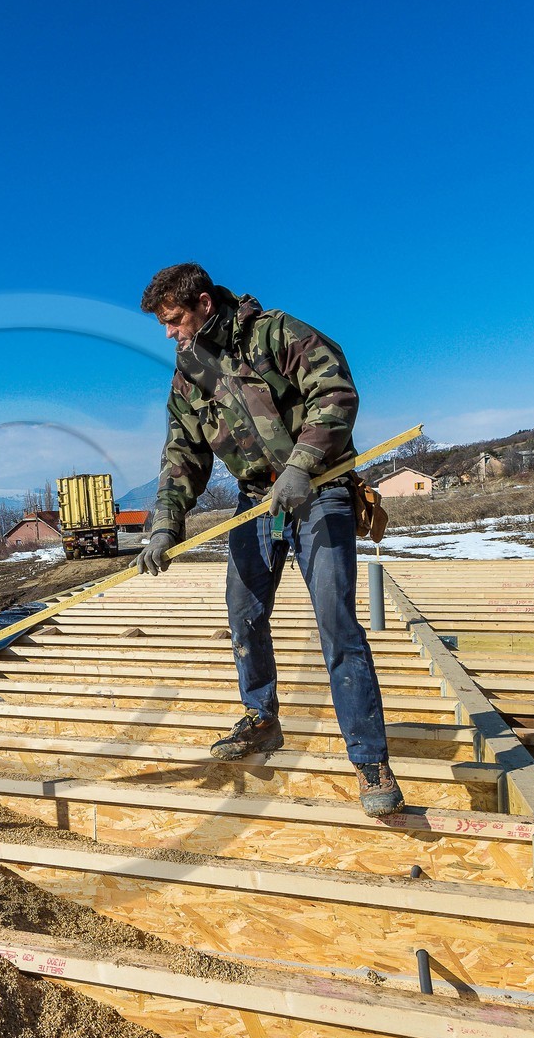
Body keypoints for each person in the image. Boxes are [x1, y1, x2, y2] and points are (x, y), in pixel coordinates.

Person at [136, 261, 403, 819]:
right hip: (258, 500)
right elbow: (183, 454)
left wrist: (304, 463)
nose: (169, 332)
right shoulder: (189, 374)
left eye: (175, 319)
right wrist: (164, 523)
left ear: (205, 303)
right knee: (245, 612)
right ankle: (262, 719)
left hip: (318, 488)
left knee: (336, 622)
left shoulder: (275, 334)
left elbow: (335, 392)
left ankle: (370, 760)